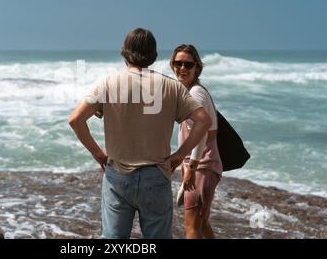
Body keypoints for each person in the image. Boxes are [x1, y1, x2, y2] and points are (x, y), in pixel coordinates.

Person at [68, 28, 212, 239]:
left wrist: (97, 153)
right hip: (156, 174)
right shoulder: (172, 86)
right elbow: (204, 121)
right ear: (153, 56)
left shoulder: (108, 83)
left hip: (118, 175)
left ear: (125, 53)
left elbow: (75, 120)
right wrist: (180, 155)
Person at [170, 44, 223, 239]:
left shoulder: (195, 94)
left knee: (191, 226)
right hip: (202, 164)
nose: (182, 68)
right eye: (178, 63)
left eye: (187, 64)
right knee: (201, 222)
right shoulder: (191, 91)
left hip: (201, 166)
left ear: (197, 67)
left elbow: (202, 132)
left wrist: (191, 167)